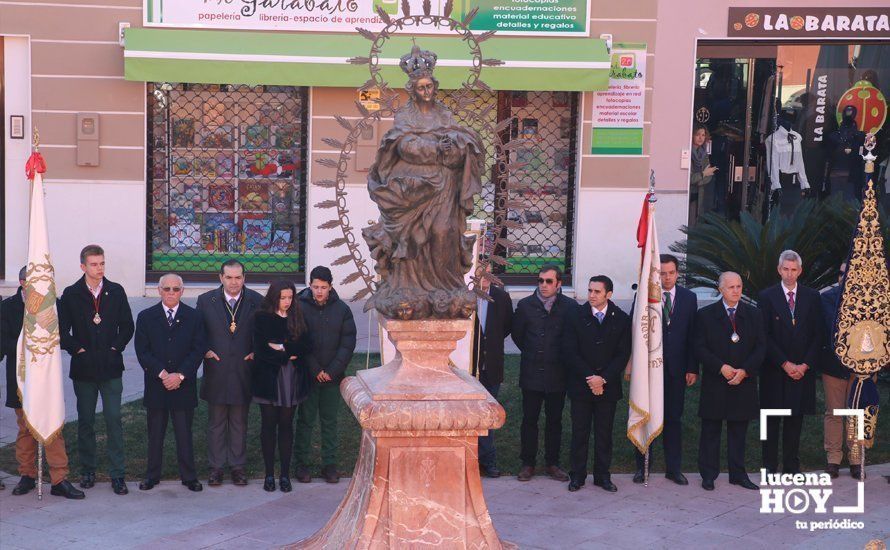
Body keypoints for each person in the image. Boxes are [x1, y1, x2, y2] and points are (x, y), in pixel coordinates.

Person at [362, 44, 482, 319]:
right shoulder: (405, 116)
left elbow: (460, 139)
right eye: (421, 88)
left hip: (445, 188)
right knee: (415, 241)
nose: (427, 92)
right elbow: (402, 144)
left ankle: (446, 287)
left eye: (430, 87)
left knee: (445, 232)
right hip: (415, 190)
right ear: (412, 90)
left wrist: (455, 148)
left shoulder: (444, 114)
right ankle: (408, 286)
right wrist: (435, 149)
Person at [59, 244, 134, 495]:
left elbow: (127, 326)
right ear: (83, 266)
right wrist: (77, 349)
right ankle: (88, 470)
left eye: (102, 263)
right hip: (84, 370)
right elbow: (61, 331)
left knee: (114, 420)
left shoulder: (116, 291)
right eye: (94, 264)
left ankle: (117, 474)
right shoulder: (71, 294)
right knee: (86, 422)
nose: (99, 268)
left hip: (111, 368)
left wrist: (116, 348)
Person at [3, 267, 84, 499]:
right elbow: (3, 342)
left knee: (53, 427)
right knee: (25, 429)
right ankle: (27, 475)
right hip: (21, 378)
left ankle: (59, 479)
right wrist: (27, 348)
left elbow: (62, 334)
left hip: (47, 378)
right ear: (21, 282)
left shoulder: (54, 306)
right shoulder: (8, 307)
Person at [134, 274, 205, 492]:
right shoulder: (146, 317)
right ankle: (152, 475)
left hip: (183, 385)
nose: (171, 293)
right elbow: (142, 351)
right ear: (159, 290)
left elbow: (198, 349)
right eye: (167, 289)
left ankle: (189, 476)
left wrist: (180, 375)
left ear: (182, 291)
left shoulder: (193, 317)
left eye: (176, 289)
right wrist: (163, 374)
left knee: (184, 433)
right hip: (158, 384)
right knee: (155, 433)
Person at [694, 272, 765, 491]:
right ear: (721, 289)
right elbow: (699, 347)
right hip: (716, 381)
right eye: (731, 287)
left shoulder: (753, 314)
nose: (736, 291)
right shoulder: (706, 315)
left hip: (743, 381)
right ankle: (708, 474)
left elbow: (761, 347)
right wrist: (721, 367)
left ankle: (738, 474)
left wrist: (744, 370)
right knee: (711, 430)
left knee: (738, 430)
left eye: (739, 286)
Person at [196, 259, 263, 487]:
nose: (234, 282)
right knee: (216, 422)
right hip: (217, 369)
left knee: (239, 421)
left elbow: (264, 332)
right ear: (220, 278)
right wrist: (204, 350)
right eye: (229, 277)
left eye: (238, 277)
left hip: (243, 370)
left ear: (244, 278)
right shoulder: (206, 301)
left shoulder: (256, 301)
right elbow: (198, 333)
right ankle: (215, 468)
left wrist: (257, 351)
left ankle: (237, 466)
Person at [634, 255, 698, 485]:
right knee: (646, 417)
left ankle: (674, 468)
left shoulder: (690, 299)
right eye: (662, 273)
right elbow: (637, 333)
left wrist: (692, 367)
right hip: (650, 369)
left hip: (677, 370)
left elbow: (693, 336)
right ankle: (642, 467)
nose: (667, 277)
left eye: (671, 273)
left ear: (678, 273)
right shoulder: (644, 298)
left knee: (673, 418)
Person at [563, 276, 631, 493]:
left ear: (608, 294)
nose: (591, 295)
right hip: (581, 385)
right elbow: (570, 351)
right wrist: (591, 378)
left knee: (604, 433)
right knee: (580, 432)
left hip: (608, 387)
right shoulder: (575, 315)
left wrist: (604, 379)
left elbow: (622, 354)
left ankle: (603, 476)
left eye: (597, 292)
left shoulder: (620, 318)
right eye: (590, 290)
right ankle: (577, 476)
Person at [758, 250, 823, 475]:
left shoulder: (813, 297)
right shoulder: (766, 297)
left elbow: (818, 336)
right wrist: (784, 363)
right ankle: (769, 466)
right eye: (785, 269)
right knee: (771, 421)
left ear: (800, 271)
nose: (789, 274)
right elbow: (763, 336)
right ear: (779, 270)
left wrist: (804, 365)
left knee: (795, 422)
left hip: (802, 371)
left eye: (794, 269)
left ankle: (791, 468)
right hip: (775, 371)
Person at [512, 264, 576, 482]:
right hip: (531, 372)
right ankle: (527, 463)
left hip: (558, 374)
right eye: (540, 281)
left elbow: (571, 338)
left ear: (559, 284)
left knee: (554, 420)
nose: (544, 285)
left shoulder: (569, 307)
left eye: (549, 281)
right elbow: (518, 336)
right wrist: (534, 353)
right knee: (529, 420)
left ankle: (552, 463)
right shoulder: (525, 305)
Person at [294, 266, 357, 484]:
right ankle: (301, 464)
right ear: (309, 285)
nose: (319, 291)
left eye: (323, 287)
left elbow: (347, 343)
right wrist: (315, 369)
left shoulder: (342, 310)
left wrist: (331, 371)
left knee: (329, 421)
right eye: (315, 287)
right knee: (305, 420)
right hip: (308, 376)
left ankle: (329, 464)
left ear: (331, 286)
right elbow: (298, 339)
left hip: (332, 377)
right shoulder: (299, 307)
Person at [253, 280, 311, 492]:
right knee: (268, 425)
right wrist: (288, 353)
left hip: (291, 378)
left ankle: (284, 475)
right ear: (274, 297)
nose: (286, 302)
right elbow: (260, 349)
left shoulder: (298, 316)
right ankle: (269, 475)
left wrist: (281, 347)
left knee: (286, 425)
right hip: (268, 379)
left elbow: (305, 345)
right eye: (282, 297)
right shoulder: (262, 317)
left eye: (290, 297)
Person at [471, 265, 513, 478]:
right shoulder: (465, 296)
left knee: (487, 415)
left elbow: (506, 327)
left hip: (492, 366)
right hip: (469, 367)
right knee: (468, 416)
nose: (484, 277)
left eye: (487, 271)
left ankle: (488, 460)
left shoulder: (502, 298)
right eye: (479, 272)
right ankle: (469, 461)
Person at [820, 263, 859, 479]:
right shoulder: (827, 298)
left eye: (850, 273)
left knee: (856, 413)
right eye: (841, 272)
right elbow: (830, 327)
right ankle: (833, 459)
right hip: (834, 365)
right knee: (834, 412)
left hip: (861, 368)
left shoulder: (868, 298)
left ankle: (855, 459)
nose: (845, 276)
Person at [689, 125, 718, 223]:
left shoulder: (704, 153)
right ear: (692, 135)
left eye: (703, 135)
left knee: (697, 221)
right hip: (689, 195)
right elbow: (689, 179)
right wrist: (703, 174)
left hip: (699, 193)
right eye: (697, 135)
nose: (701, 138)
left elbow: (709, 176)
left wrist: (699, 180)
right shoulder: (688, 152)